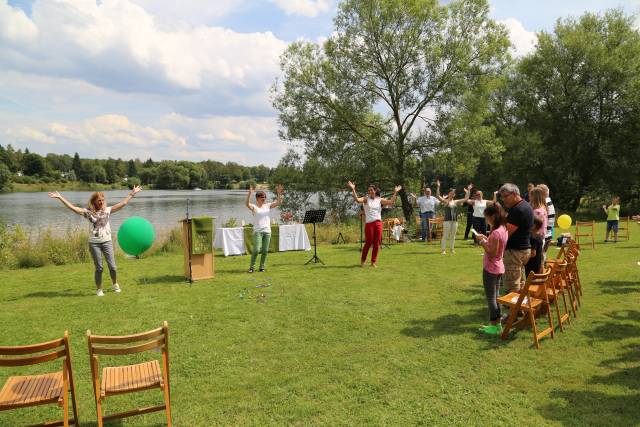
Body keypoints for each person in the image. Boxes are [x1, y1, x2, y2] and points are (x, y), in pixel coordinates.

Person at [48, 186, 143, 296]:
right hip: (94, 244)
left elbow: (123, 204)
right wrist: (60, 197)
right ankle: (99, 289)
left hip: (107, 242)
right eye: (99, 200)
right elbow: (73, 208)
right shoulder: (88, 213)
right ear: (94, 201)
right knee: (99, 268)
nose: (101, 202)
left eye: (103, 200)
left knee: (112, 266)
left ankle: (115, 284)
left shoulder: (108, 210)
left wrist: (133, 193)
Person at [348, 181, 401, 267]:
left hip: (378, 223)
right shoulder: (366, 199)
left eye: (371, 190)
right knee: (368, 243)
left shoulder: (379, 199)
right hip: (369, 224)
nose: (369, 192)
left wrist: (395, 192)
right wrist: (353, 189)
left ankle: (373, 262)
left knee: (377, 243)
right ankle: (363, 261)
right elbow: (357, 200)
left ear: (375, 190)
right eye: (368, 190)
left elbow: (391, 202)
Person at [475, 203, 509, 336]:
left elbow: (492, 252)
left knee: (491, 298)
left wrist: (481, 241)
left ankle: (494, 326)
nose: (486, 220)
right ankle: (497, 323)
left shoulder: (496, 233)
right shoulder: (503, 228)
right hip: (499, 266)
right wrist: (486, 239)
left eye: (487, 218)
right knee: (496, 297)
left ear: (493, 216)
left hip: (491, 268)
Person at [498, 183, 533, 293]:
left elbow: (507, 233)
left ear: (514, 194)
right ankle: (521, 308)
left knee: (512, 285)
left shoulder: (518, 209)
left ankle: (513, 309)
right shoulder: (525, 205)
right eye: (502, 197)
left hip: (515, 252)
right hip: (523, 249)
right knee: (520, 282)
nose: (503, 199)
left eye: (505, 196)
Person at [246, 184, 283, 273]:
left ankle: (261, 267)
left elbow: (279, 202)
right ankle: (251, 267)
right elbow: (247, 204)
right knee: (256, 250)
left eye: (265, 197)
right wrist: (249, 194)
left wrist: (279, 193)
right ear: (257, 198)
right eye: (262, 197)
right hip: (258, 232)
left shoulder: (268, 206)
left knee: (265, 250)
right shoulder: (254, 207)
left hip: (267, 231)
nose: (264, 198)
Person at [435, 180, 471, 255]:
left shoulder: (456, 202)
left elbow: (466, 199)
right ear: (449, 194)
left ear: (454, 195)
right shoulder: (445, 201)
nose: (452, 194)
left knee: (453, 236)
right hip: (447, 221)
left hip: (455, 221)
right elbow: (438, 196)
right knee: (445, 235)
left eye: (453, 193)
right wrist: (438, 186)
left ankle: (452, 249)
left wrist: (468, 190)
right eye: (451, 193)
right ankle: (443, 250)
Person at [537, 184, 555, 251]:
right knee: (542, 257)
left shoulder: (544, 203)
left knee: (539, 259)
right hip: (548, 234)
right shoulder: (549, 200)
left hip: (543, 236)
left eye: (537, 192)